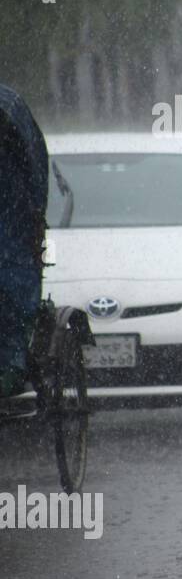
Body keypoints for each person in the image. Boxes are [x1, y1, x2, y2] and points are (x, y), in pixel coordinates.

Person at [0, 84, 49, 398]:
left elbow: (33, 171)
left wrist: (34, 216)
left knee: (10, 290)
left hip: (11, 221)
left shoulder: (9, 110)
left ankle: (11, 364)